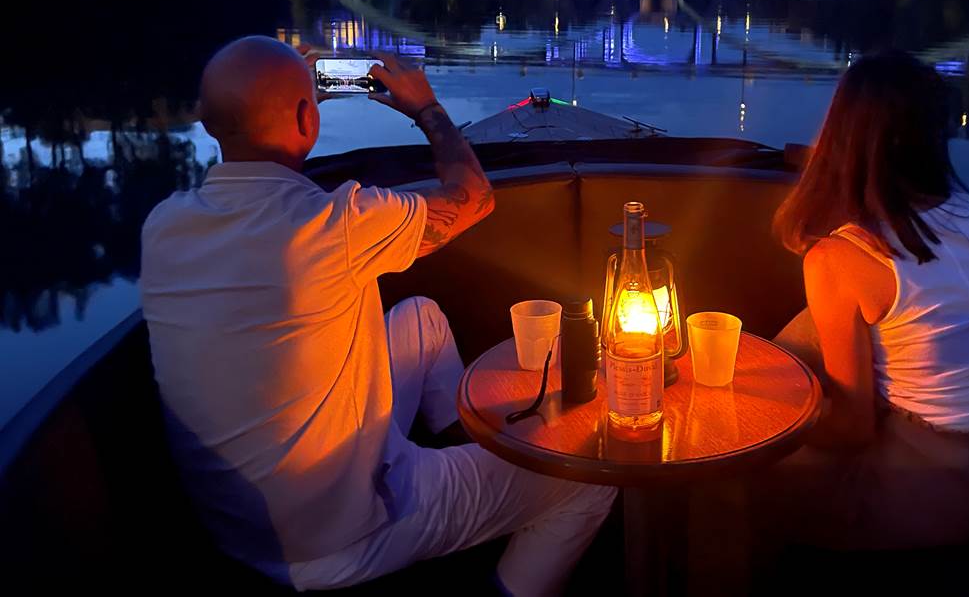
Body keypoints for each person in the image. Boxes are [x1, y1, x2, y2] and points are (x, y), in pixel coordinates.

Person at [140, 36, 614, 595]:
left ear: (212, 124)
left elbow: (264, 202)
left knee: (421, 319)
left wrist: (290, 107)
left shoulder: (163, 226)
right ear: (305, 117)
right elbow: (474, 197)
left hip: (236, 527)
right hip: (342, 538)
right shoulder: (334, 225)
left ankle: (471, 458)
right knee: (587, 480)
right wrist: (425, 108)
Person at [762, 51, 969, 551]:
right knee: (814, 327)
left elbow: (851, 429)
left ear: (841, 134)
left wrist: (761, 415)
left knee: (741, 475)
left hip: (934, 487)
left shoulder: (841, 258)